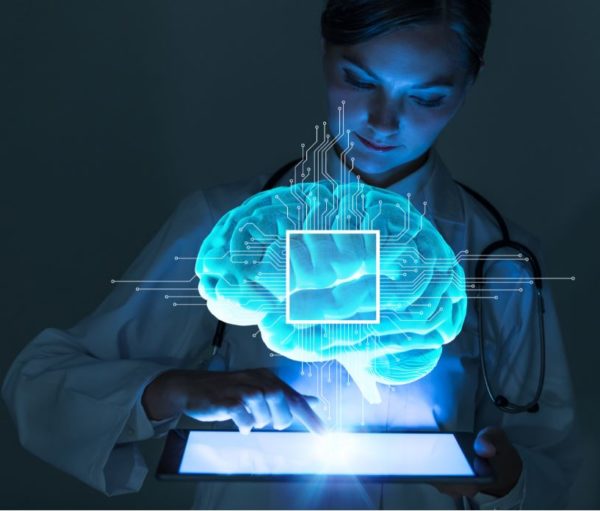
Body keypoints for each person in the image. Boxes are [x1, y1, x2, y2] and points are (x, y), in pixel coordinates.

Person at [3, 0, 581, 509]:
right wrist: (178, 390)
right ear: (326, 54)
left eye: (427, 96)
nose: (384, 122)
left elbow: (549, 457)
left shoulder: (502, 257)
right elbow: (40, 385)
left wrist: (507, 478)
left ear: (468, 83)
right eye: (359, 81)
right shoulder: (220, 220)